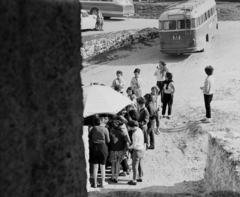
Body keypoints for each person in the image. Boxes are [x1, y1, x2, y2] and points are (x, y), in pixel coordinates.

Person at [89, 115, 110, 188]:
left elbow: (90, 135)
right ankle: (103, 182)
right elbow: (108, 140)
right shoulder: (105, 129)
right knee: (102, 166)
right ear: (101, 121)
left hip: (94, 147)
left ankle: (95, 183)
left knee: (95, 166)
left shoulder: (94, 128)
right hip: (102, 147)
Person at [108, 117, 130, 183]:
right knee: (118, 164)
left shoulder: (111, 133)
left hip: (113, 150)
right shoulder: (123, 134)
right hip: (120, 150)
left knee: (113, 164)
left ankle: (112, 177)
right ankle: (116, 178)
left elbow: (109, 142)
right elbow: (127, 142)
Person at [127, 120, 145, 185]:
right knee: (140, 163)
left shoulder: (134, 134)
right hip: (142, 149)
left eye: (129, 126)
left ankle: (134, 180)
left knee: (134, 165)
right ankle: (140, 177)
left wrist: (128, 147)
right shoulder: (139, 130)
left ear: (132, 127)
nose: (128, 127)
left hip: (137, 150)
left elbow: (134, 145)